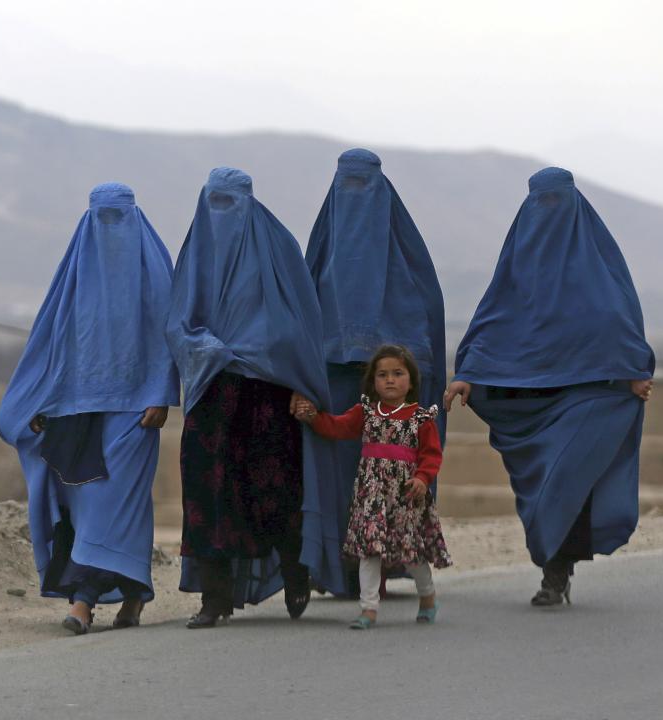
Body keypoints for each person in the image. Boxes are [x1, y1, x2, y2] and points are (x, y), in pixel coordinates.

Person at [444, 167, 655, 606]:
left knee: (566, 479)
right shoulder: (518, 266)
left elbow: (619, 320)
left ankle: (556, 571)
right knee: (538, 489)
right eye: (542, 203)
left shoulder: (599, 267)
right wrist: (468, 373)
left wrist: (634, 369)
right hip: (527, 400)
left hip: (585, 394)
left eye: (557, 202)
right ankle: (553, 563)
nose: (549, 213)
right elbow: (492, 320)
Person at [0, 182, 180, 634]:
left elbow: (169, 334)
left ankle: (84, 599)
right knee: (86, 505)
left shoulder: (155, 271)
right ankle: (133, 595)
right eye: (102, 218)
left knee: (114, 504)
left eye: (118, 218)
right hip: (77, 409)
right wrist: (40, 398)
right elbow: (51, 341)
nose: (110, 228)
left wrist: (161, 393)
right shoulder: (75, 273)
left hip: (136, 409)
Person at [166, 167, 343, 628]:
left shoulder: (279, 247)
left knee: (275, 490)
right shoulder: (195, 252)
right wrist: (208, 348)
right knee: (207, 493)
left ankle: (294, 571)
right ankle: (214, 598)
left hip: (269, 392)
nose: (221, 214)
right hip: (212, 390)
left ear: (248, 202)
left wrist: (263, 350)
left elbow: (299, 323)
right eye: (214, 203)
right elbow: (178, 322)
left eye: (230, 203)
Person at [305, 148, 446, 595]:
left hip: (395, 387)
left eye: (364, 186)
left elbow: (427, 312)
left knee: (394, 479)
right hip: (334, 378)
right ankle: (347, 568)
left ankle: (385, 565)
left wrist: (409, 375)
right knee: (341, 475)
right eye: (347, 186)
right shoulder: (325, 245)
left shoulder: (405, 253)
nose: (356, 197)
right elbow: (305, 309)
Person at [295, 344, 451, 629]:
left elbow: (431, 455)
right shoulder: (365, 412)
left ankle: (428, 597)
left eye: (397, 373)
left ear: (412, 380)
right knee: (369, 550)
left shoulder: (421, 419)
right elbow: (338, 427)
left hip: (406, 497)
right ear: (372, 381)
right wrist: (314, 418)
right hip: (371, 496)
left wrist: (422, 478)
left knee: (411, 554)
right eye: (382, 374)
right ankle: (368, 609)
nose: (389, 379)